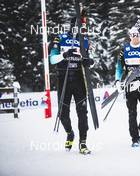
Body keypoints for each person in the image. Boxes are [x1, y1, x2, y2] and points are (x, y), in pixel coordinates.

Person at [49, 10, 94, 155]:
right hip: (63, 79)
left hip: (79, 80)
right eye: (81, 26)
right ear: (73, 26)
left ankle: (83, 143)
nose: (83, 29)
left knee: (82, 113)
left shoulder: (85, 40)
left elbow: (89, 61)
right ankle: (70, 133)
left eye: (84, 26)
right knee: (63, 114)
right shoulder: (60, 38)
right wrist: (64, 54)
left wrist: (89, 61)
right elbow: (52, 60)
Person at [115, 27, 140, 147]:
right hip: (129, 85)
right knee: (132, 113)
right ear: (130, 36)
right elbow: (119, 68)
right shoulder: (124, 50)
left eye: (137, 35)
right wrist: (117, 80)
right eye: (133, 35)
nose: (135, 37)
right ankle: (135, 139)